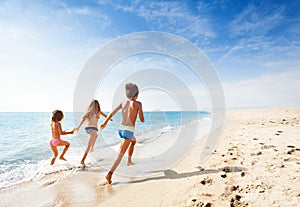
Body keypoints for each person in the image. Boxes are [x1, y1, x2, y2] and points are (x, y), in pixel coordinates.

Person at [100, 83, 144, 184]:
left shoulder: (122, 103)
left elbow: (111, 114)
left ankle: (129, 161)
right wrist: (140, 116)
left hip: (121, 129)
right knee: (120, 154)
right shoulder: (138, 104)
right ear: (136, 95)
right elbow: (141, 120)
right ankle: (109, 174)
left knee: (134, 141)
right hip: (128, 131)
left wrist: (104, 123)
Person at [75, 99, 109, 166]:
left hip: (89, 128)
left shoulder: (90, 112)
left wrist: (78, 127)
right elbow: (106, 116)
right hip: (93, 129)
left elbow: (105, 116)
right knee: (89, 145)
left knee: (96, 136)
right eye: (95, 105)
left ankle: (92, 149)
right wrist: (78, 127)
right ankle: (82, 160)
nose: (96, 107)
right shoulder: (96, 112)